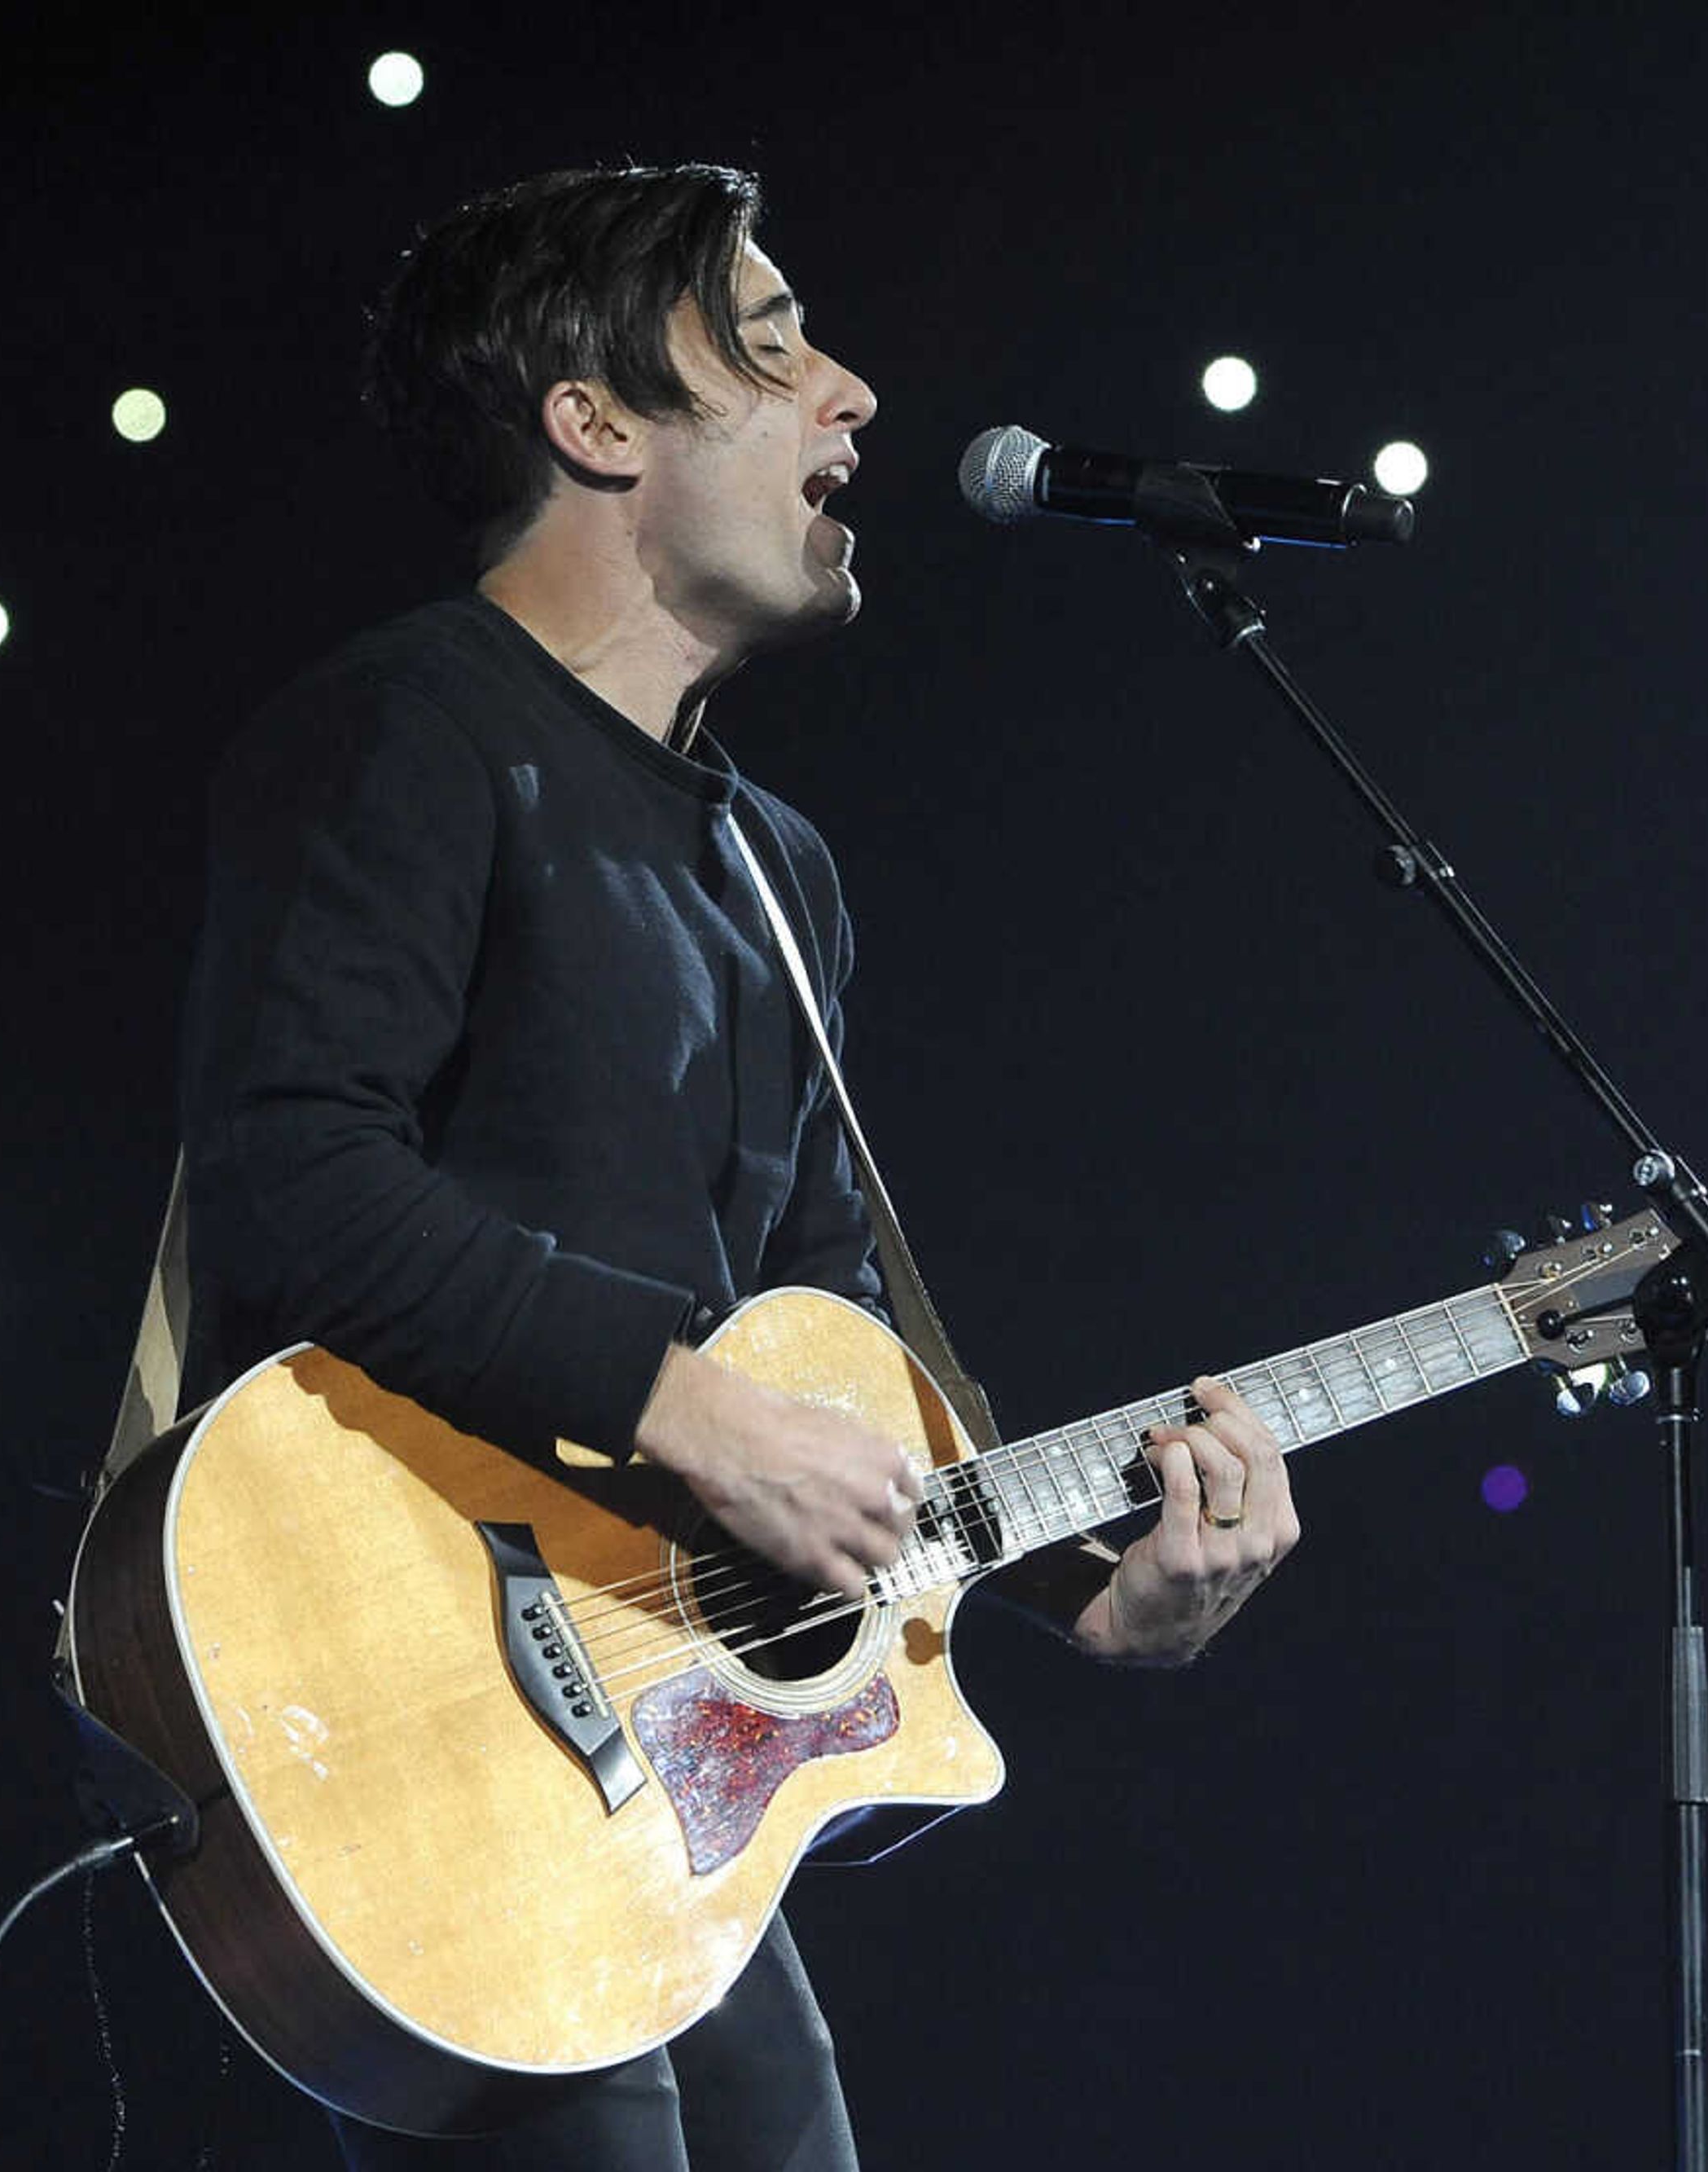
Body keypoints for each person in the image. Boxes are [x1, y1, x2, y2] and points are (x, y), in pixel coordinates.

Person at [172, 161, 1300, 2170]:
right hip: (424, 1702)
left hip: (656, 1747)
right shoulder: (406, 735)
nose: (852, 392)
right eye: (770, 345)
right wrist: (684, 1403)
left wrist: (1077, 1587)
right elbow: (296, 1184)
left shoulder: (782, 875)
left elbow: (837, 1347)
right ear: (592, 424)